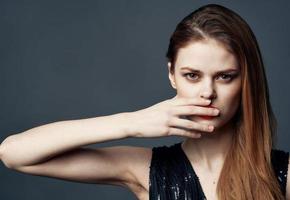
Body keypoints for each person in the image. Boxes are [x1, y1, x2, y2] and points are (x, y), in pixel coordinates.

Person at [0, 3, 289, 200]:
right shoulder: (146, 169)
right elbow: (14, 153)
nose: (207, 92)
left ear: (247, 81)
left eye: (225, 77)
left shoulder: (282, 174)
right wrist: (132, 123)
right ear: (172, 75)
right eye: (192, 75)